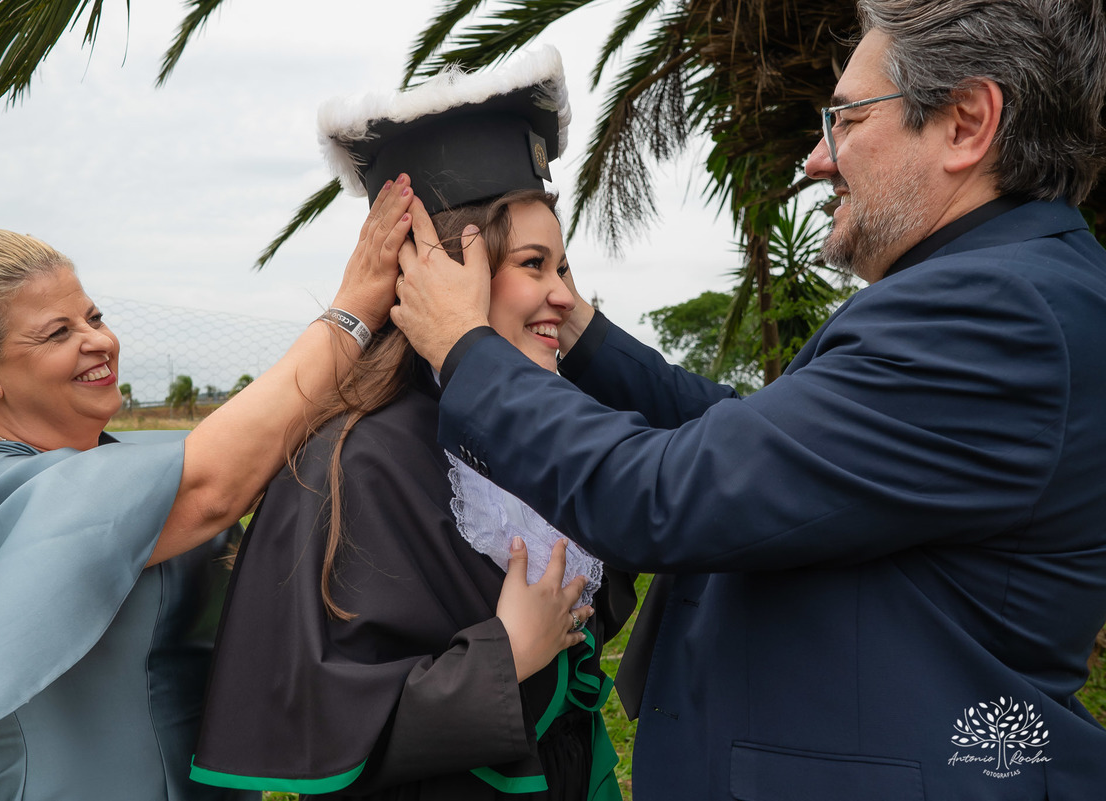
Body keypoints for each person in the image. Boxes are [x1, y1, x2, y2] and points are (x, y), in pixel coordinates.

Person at [390, 1, 1106, 798]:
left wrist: (466, 351)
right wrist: (579, 329)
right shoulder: (1011, 295)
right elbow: (750, 441)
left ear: (967, 123)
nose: (817, 159)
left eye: (844, 119)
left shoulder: (994, 318)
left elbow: (669, 491)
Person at [191, 47, 634, 799]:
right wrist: (507, 651)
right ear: (441, 268)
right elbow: (327, 714)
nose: (565, 297)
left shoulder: (552, 428)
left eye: (563, 268)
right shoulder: (351, 461)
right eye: (534, 265)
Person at [0, 177, 414, 800]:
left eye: (93, 317)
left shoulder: (141, 461)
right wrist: (353, 309)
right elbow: (210, 489)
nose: (97, 342)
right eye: (57, 332)